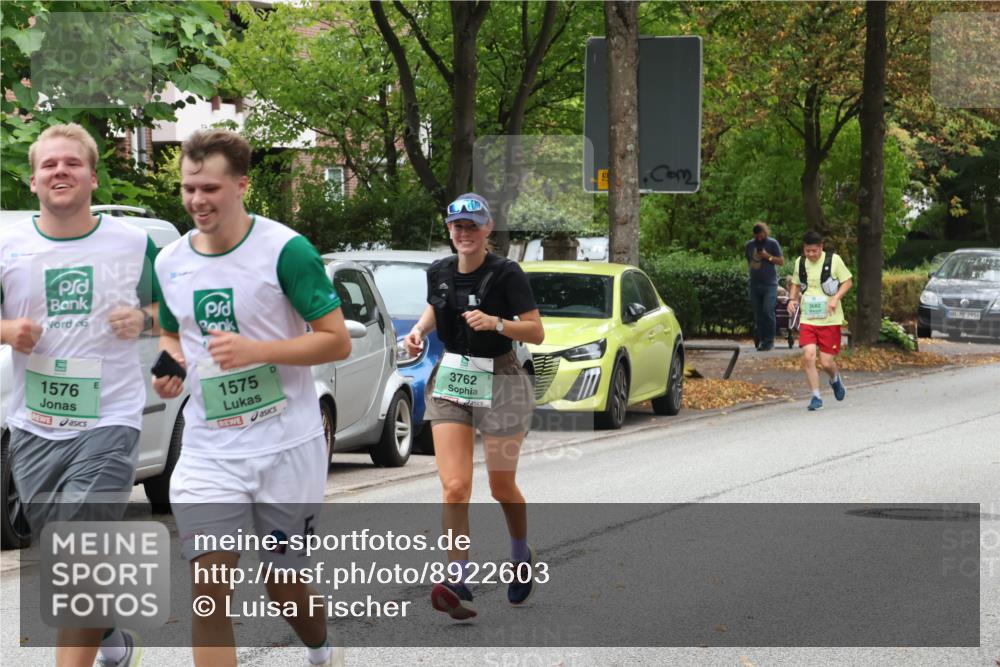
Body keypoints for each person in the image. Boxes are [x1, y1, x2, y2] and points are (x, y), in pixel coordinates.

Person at [151, 129, 351, 667]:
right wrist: (169, 364)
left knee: (283, 586)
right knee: (208, 591)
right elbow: (171, 333)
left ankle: (320, 648)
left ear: (242, 185)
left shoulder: (287, 251)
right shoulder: (170, 261)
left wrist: (258, 350)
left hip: (288, 445)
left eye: (210, 188)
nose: (197, 200)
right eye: (189, 188)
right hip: (209, 451)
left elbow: (335, 338)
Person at [0, 123, 158, 667]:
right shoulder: (8, 245)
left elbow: (176, 308)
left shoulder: (134, 242)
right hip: (34, 425)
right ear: (32, 181)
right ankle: (112, 641)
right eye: (49, 165)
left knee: (78, 546)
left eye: (72, 163)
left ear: (93, 175)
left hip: (109, 419)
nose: (59, 172)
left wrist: (142, 317)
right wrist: (6, 331)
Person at [403, 194, 544, 620]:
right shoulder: (439, 271)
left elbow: (536, 332)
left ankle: (521, 556)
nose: (464, 234)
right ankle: (457, 577)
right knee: (455, 487)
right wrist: (419, 330)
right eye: (457, 227)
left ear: (487, 229)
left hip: (502, 379)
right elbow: (437, 304)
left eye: (472, 226)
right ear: (449, 230)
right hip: (452, 378)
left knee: (502, 487)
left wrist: (496, 322)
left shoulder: (507, 274)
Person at [786, 230, 853, 411]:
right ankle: (816, 396)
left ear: (821, 247)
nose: (811, 254)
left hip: (829, 319)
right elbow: (796, 283)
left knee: (826, 362)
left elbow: (847, 281)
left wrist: (835, 298)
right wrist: (792, 300)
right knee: (808, 356)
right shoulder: (800, 263)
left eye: (814, 251)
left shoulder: (834, 260)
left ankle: (835, 379)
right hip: (808, 317)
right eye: (808, 251)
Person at [744, 222, 784, 351]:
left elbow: (781, 261)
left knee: (768, 311)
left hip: (769, 284)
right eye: (757, 236)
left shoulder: (772, 243)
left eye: (761, 236)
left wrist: (768, 257)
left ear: (765, 233)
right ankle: (762, 341)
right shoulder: (750, 245)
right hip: (754, 284)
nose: (759, 239)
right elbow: (748, 260)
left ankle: (769, 340)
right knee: (758, 313)